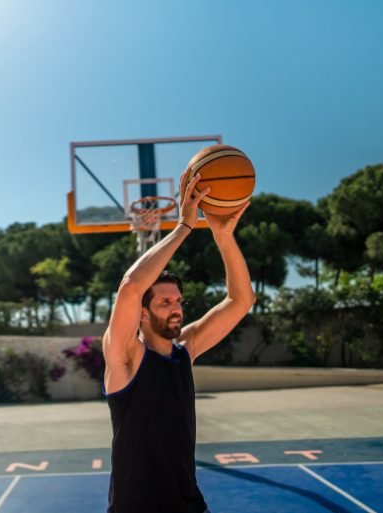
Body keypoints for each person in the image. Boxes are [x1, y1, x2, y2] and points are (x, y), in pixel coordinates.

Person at [103, 170, 256, 513]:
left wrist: (223, 235)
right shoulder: (126, 359)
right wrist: (184, 227)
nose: (176, 309)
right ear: (142, 313)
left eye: (178, 301)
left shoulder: (186, 350)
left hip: (188, 505)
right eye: (164, 302)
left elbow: (241, 301)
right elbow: (130, 288)